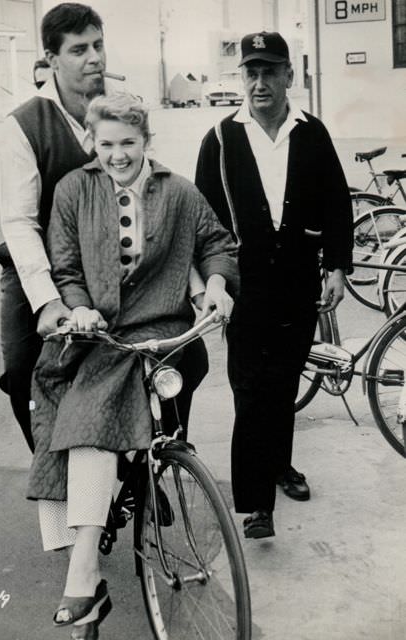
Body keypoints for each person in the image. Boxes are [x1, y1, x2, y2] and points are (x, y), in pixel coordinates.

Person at [26, 92, 239, 639]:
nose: (117, 154)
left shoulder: (179, 191)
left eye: (128, 142)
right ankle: (85, 562)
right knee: (90, 414)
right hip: (95, 331)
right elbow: (65, 265)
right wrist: (77, 307)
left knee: (107, 405)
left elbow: (217, 243)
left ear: (147, 141)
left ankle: (86, 572)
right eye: (106, 143)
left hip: (163, 330)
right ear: (92, 143)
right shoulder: (75, 188)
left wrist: (216, 285)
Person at [195, 31, 353, 539]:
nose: (260, 82)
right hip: (244, 288)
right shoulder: (220, 138)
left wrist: (337, 267)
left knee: (283, 383)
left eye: (270, 71)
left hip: (298, 283)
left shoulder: (312, 133)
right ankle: (257, 502)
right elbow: (203, 218)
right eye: (251, 72)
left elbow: (336, 203)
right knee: (250, 388)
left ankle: (280, 466)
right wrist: (210, 284)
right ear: (242, 77)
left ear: (290, 75)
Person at [0, 3, 107, 452]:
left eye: (99, 46)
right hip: (34, 274)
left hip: (104, 268)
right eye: (80, 49)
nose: (95, 58)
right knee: (24, 374)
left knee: (157, 365)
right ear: (51, 59)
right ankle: (54, 473)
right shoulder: (24, 124)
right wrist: (46, 302)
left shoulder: (116, 110)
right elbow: (19, 223)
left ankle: (142, 469)